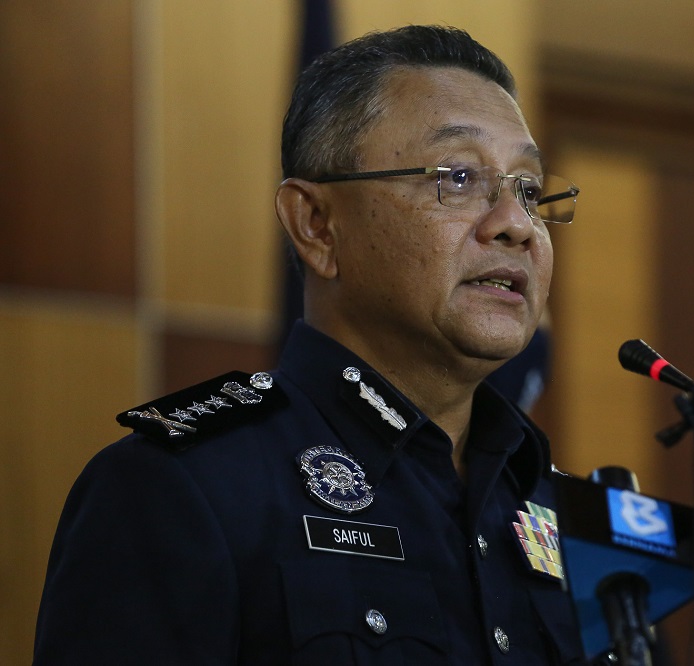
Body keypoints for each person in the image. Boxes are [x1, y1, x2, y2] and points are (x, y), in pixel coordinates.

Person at [33, 25, 588, 665]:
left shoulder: (563, 517)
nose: (517, 225)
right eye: (458, 177)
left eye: (528, 188)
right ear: (317, 226)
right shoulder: (182, 488)